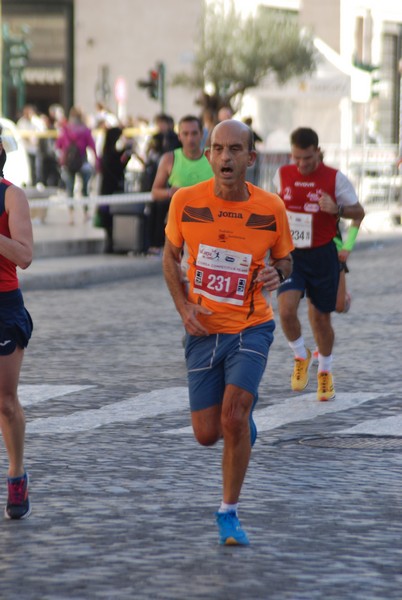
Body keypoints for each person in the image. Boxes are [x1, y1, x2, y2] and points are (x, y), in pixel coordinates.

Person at [163, 119, 294, 545]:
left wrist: (278, 272)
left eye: (235, 150)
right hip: (202, 328)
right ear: (208, 155)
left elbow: (286, 260)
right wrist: (183, 307)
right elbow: (170, 255)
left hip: (251, 326)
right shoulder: (184, 201)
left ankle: (229, 512)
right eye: (218, 149)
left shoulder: (271, 208)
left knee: (233, 416)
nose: (225, 157)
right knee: (206, 433)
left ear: (250, 159)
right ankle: (241, 426)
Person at [273, 127, 365, 401]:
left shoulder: (334, 178)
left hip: (323, 254)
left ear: (318, 153)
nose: (302, 164)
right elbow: (275, 210)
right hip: (292, 256)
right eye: (297, 158)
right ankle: (301, 355)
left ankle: (325, 371)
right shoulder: (283, 175)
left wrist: (337, 209)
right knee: (286, 310)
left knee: (320, 319)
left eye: (308, 159)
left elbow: (359, 212)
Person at [0, 129, 34, 519]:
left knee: (5, 402)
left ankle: (16, 473)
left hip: (3, 306)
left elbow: (24, 255)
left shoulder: (12, 196)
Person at [150, 115, 213, 250]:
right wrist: (171, 192)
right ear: (179, 136)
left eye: (194, 133)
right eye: (185, 134)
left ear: (201, 135)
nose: (190, 138)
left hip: (209, 225)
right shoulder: (170, 159)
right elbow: (155, 192)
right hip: (179, 226)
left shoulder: (212, 158)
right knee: (176, 267)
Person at [55, 106, 99, 224]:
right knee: (85, 189)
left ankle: (71, 216)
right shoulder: (85, 130)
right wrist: (97, 161)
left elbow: (58, 145)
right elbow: (93, 146)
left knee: (70, 189)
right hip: (82, 161)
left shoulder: (65, 130)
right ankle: (85, 214)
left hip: (68, 163)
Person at [95, 127, 133, 252]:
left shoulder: (107, 152)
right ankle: (112, 244)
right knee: (111, 217)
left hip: (107, 189)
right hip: (111, 189)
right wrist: (127, 155)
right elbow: (118, 167)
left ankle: (112, 243)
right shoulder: (111, 154)